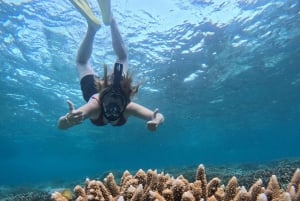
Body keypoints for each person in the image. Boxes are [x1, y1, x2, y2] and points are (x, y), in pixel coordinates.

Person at [57, 0, 164, 131]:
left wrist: (67, 121)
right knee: (118, 58)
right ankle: (109, 20)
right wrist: (68, 120)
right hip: (110, 89)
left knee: (83, 62)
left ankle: (95, 27)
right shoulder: (101, 105)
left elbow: (157, 115)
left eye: (116, 102)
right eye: (114, 101)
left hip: (95, 89)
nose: (113, 109)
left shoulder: (118, 107)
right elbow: (156, 115)